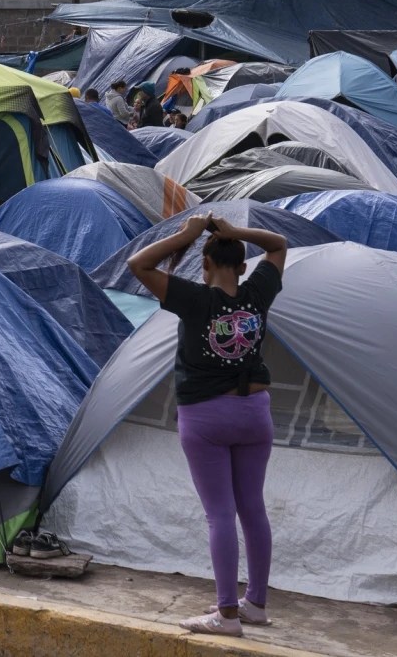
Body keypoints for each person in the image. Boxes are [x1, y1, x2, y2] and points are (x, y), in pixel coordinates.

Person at [127, 213, 287, 638]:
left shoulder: (194, 299)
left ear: (206, 266)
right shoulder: (257, 294)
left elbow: (138, 265)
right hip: (255, 413)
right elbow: (278, 244)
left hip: (206, 416)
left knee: (220, 514)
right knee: (252, 508)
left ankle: (227, 616)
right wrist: (237, 232)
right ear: (241, 265)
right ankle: (255, 605)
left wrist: (186, 234)